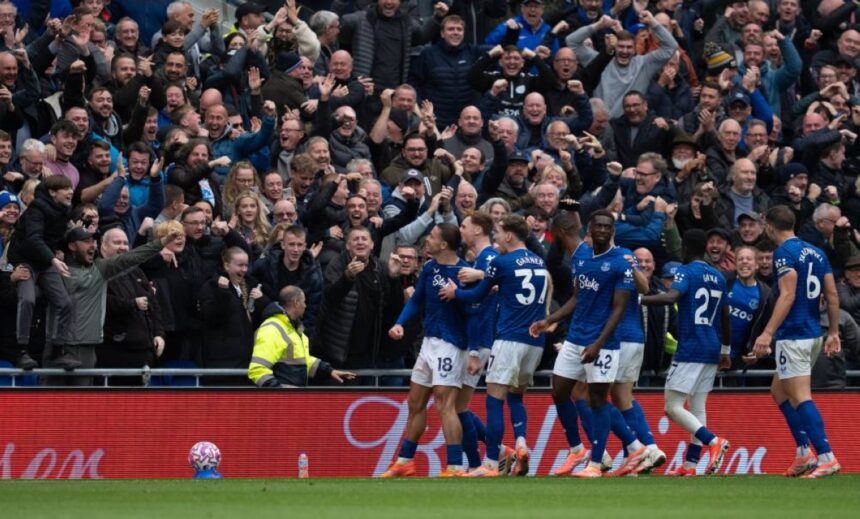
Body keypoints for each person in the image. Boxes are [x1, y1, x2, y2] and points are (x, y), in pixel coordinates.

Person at [529, 210, 644, 478]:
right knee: (559, 391)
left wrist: (598, 344)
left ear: (612, 231)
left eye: (607, 227)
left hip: (604, 342)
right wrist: (549, 320)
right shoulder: (580, 257)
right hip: (575, 338)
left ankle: (597, 462)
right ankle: (578, 449)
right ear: (589, 229)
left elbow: (619, 308)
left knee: (597, 400)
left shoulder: (620, 262)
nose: (602, 230)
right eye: (598, 226)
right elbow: (577, 297)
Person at [439, 214, 548, 477]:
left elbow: (477, 294)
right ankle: (521, 443)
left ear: (509, 235)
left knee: (494, 400)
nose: (495, 237)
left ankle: (489, 463)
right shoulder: (539, 261)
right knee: (516, 396)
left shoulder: (502, 261)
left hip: (509, 338)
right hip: (535, 342)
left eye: (498, 232)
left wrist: (455, 293)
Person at [750, 205, 842, 478]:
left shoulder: (784, 253)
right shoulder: (816, 251)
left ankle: (826, 456)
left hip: (794, 335)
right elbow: (832, 294)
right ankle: (804, 453)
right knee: (779, 391)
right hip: (813, 333)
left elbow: (787, 295)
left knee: (801, 397)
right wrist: (833, 331)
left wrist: (767, 333)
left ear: (769, 227)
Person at [640, 229, 732, 477]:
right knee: (698, 407)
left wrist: (638, 300)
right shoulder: (718, 276)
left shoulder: (686, 271)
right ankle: (690, 466)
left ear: (684, 248)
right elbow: (725, 316)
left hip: (691, 348)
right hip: (712, 347)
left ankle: (713, 441)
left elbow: (671, 297)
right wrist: (726, 349)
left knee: (672, 406)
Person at [381, 223, 470, 478]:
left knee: (445, 403)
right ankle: (405, 461)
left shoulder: (464, 273)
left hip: (451, 343)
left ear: (444, 244)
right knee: (415, 402)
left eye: (431, 236)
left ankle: (455, 465)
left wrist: (459, 296)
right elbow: (418, 299)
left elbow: (475, 310)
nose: (426, 240)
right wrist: (399, 322)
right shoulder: (430, 267)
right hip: (429, 342)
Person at [248, 285, 355, 387]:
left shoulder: (293, 328)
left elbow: (304, 361)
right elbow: (258, 369)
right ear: (296, 303)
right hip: (283, 399)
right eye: (304, 302)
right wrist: (280, 392)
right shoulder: (272, 329)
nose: (305, 306)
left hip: (294, 397)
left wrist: (329, 371)